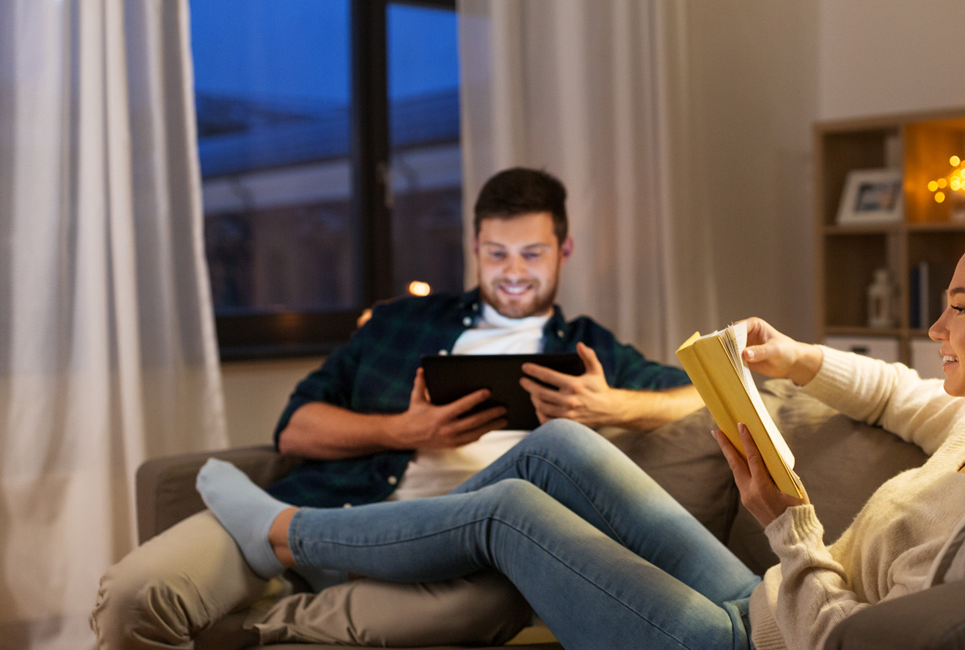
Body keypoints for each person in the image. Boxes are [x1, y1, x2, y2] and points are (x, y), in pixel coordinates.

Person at [193, 194, 965, 650]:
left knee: (508, 516)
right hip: (766, 602)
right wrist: (792, 359)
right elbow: (893, 393)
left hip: (753, 639)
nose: (935, 324)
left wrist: (786, 518)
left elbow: (845, 640)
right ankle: (306, 539)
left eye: (962, 305)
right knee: (558, 445)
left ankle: (285, 535)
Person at [92, 167, 704, 649]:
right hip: (332, 498)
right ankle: (285, 540)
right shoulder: (399, 324)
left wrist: (611, 403)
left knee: (488, 605)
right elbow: (295, 429)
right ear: (473, 246)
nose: (513, 272)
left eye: (531, 254)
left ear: (564, 249)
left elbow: (700, 392)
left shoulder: (590, 349)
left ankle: (256, 622)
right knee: (132, 598)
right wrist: (403, 429)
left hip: (443, 554)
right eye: (496, 254)